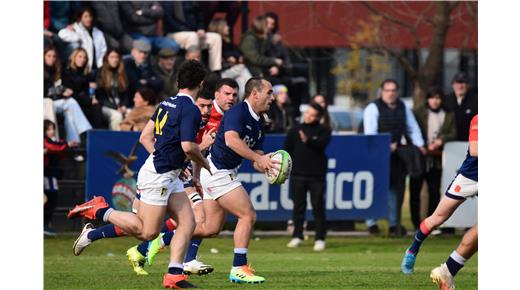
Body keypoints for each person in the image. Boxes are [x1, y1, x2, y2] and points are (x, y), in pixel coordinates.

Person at [67, 60, 210, 289]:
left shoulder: (165, 103)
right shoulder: (190, 109)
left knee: (188, 222)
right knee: (147, 232)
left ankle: (174, 275)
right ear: (200, 84)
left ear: (177, 82)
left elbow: (145, 137)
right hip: (160, 175)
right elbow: (188, 147)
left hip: (164, 172)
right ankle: (99, 210)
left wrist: (163, 157)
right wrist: (204, 163)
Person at [146, 77, 278, 284]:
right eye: (269, 92)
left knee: (210, 228)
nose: (273, 96)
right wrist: (258, 158)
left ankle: (162, 239)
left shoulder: (260, 122)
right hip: (217, 171)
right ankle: (239, 267)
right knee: (248, 215)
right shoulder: (238, 112)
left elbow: (255, 158)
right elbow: (231, 140)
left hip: (221, 172)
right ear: (255, 93)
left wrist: (268, 165)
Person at [129, 78, 240, 276]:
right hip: (177, 171)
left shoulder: (227, 117)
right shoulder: (196, 111)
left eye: (234, 95)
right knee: (194, 217)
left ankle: (148, 250)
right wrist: (198, 157)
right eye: (227, 94)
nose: (231, 98)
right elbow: (188, 147)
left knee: (206, 225)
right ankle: (176, 257)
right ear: (216, 95)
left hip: (192, 172)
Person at [401, 115, 478, 290]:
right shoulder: (479, 119)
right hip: (469, 177)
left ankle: (448, 270)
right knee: (438, 217)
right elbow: (475, 150)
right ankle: (413, 250)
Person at [362, 79, 425, 236]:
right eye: (387, 90)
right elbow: (370, 133)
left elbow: (413, 128)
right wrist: (384, 146)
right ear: (382, 91)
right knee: (374, 188)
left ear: (397, 92)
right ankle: (371, 223)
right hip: (376, 155)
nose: (390, 93)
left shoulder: (403, 107)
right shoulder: (372, 108)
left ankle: (394, 223)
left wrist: (419, 145)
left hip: (397, 156)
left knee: (395, 189)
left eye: (393, 90)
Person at [285, 102, 332, 251]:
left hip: (317, 175)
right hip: (298, 174)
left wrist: (308, 141)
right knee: (298, 207)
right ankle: (297, 236)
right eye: (307, 113)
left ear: (318, 117)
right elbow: (287, 149)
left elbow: (321, 145)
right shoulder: (295, 130)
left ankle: (320, 238)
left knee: (318, 207)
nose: (308, 117)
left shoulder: (324, 130)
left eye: (312, 115)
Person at [409, 87, 457, 230]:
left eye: (437, 98)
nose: (435, 101)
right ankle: (416, 223)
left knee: (435, 190)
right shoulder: (418, 112)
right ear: (428, 99)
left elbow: (453, 133)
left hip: (436, 158)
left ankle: (431, 224)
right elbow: (411, 130)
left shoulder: (448, 114)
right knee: (415, 190)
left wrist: (441, 140)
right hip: (419, 156)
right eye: (432, 98)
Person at [44, 47, 92, 147]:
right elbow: (46, 91)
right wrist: (62, 91)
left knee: (68, 114)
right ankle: (87, 131)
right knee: (70, 102)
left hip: (53, 103)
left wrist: (63, 91)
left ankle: (74, 145)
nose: (52, 58)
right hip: (44, 104)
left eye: (54, 56)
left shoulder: (56, 71)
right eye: (49, 56)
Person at [162, 1, 223, 72]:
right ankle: (192, 70)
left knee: (215, 37)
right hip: (173, 33)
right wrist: (187, 30)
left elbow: (199, 14)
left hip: (193, 33)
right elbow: (168, 20)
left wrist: (201, 28)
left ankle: (215, 70)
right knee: (192, 36)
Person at [44, 119, 79, 235]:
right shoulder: (45, 141)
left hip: (51, 175)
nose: (52, 131)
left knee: (52, 199)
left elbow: (58, 149)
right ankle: (44, 225)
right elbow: (53, 147)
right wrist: (66, 144)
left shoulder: (53, 141)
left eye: (52, 128)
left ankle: (45, 225)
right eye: (49, 129)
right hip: (47, 174)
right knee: (51, 198)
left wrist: (67, 146)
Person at [209, 18, 252, 100]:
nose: (228, 27)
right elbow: (223, 54)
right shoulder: (217, 41)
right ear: (219, 27)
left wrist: (238, 57)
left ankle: (244, 100)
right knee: (242, 68)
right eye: (225, 26)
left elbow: (238, 52)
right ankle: (249, 93)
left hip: (232, 70)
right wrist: (229, 57)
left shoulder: (228, 41)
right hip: (222, 72)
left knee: (241, 80)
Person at [63, 47, 105, 129]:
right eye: (80, 56)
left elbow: (92, 94)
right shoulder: (67, 73)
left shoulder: (89, 75)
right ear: (74, 57)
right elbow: (72, 92)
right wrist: (89, 100)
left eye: (84, 57)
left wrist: (95, 89)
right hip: (76, 102)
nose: (82, 59)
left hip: (87, 103)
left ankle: (97, 135)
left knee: (96, 107)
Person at [57, 7, 107, 72]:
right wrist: (78, 38)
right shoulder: (75, 28)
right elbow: (61, 34)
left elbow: (103, 50)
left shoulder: (98, 32)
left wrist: (101, 66)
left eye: (90, 16)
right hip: (83, 67)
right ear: (80, 18)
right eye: (85, 16)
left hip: (97, 67)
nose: (88, 19)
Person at [96, 49, 130, 130]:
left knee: (131, 113)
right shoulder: (101, 72)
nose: (114, 60)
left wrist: (124, 106)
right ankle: (115, 140)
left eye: (116, 57)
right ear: (107, 58)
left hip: (121, 106)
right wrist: (115, 107)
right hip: (105, 106)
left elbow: (126, 94)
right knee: (116, 116)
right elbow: (100, 97)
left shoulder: (122, 73)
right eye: (112, 57)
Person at [444, 72, 478, 141]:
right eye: (457, 83)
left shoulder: (475, 101)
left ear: (468, 85)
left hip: (469, 142)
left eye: (463, 83)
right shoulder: (445, 100)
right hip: (449, 142)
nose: (460, 86)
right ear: (453, 85)